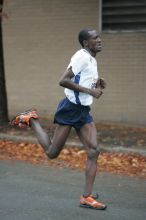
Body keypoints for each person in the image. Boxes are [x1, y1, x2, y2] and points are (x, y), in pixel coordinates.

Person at [11, 29, 107, 210]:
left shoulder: (92, 59)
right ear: (86, 43)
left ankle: (86, 197)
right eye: (95, 38)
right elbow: (63, 80)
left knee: (94, 151)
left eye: (99, 37)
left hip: (83, 111)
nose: (100, 40)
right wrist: (91, 91)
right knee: (52, 152)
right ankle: (31, 119)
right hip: (70, 109)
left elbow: (82, 79)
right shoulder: (81, 57)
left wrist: (97, 82)